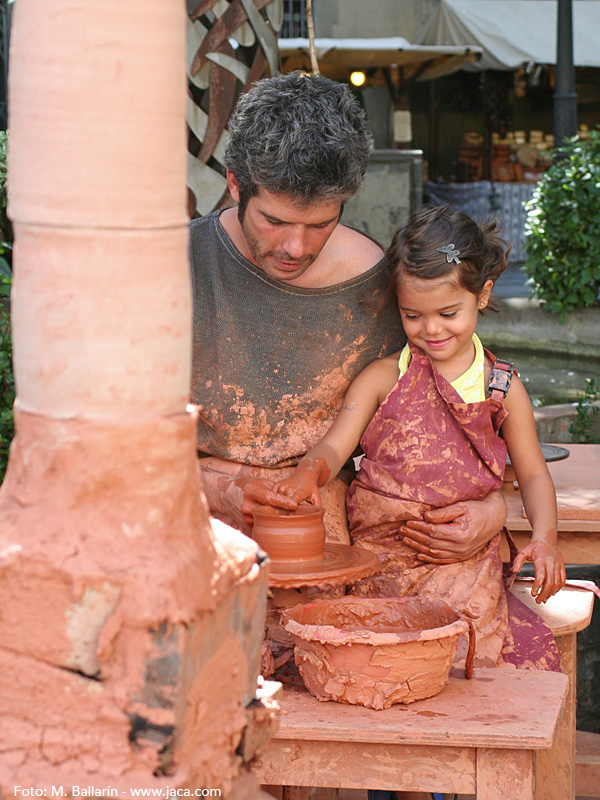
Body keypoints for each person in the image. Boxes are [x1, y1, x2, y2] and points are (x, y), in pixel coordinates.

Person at [189, 70, 506, 561]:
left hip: (324, 520)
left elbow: (457, 432)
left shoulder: (383, 290)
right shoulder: (176, 266)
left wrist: (492, 510)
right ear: (235, 185)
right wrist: (224, 491)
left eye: (320, 224)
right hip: (185, 510)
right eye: (273, 221)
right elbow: (115, 444)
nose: (295, 247)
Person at [274, 204, 566, 669]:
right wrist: (308, 472)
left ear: (483, 295)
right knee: (357, 641)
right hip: (377, 553)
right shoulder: (382, 376)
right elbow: (335, 444)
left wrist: (546, 538)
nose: (431, 329)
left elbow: (532, 475)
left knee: (452, 643)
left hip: (459, 559)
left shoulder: (502, 386)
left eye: (448, 312)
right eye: (413, 316)